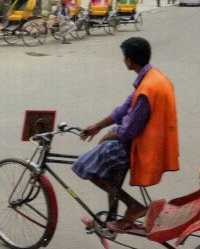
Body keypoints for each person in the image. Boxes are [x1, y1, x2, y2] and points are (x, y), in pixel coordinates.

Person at [73, 37, 179, 232]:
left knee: (84, 165)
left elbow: (129, 130)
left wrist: (106, 136)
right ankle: (111, 219)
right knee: (104, 159)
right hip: (148, 142)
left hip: (139, 146)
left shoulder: (146, 89)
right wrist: (97, 127)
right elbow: (122, 110)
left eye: (124, 58)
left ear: (129, 61)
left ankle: (134, 206)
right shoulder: (153, 77)